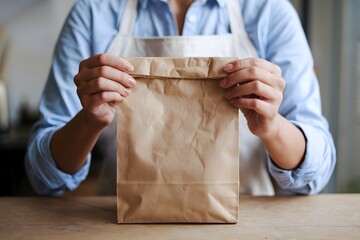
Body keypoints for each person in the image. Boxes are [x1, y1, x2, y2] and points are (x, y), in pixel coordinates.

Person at [25, 0, 336, 196]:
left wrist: (272, 127)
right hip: (122, 228)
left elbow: (316, 172)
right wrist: (89, 121)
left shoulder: (270, 12)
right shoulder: (93, 13)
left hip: (248, 227)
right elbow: (44, 176)